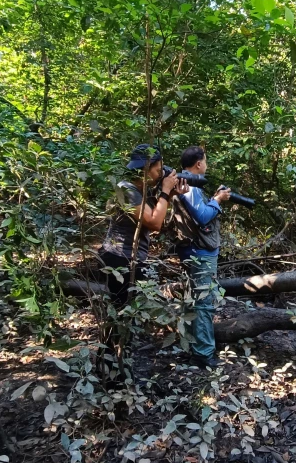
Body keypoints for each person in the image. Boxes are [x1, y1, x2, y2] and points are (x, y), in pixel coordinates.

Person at [98, 144, 186, 306]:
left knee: (130, 309)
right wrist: (165, 192)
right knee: (124, 309)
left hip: (129, 257)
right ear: (144, 169)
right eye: (158, 171)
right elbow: (154, 223)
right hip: (121, 258)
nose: (160, 175)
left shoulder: (141, 190)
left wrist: (171, 194)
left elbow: (158, 219)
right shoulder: (127, 190)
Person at [172, 146, 231, 368]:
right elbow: (203, 216)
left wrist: (215, 197)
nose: (206, 165)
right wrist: (218, 200)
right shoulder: (190, 186)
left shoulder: (184, 183)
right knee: (204, 303)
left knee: (191, 301)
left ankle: (191, 347)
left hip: (191, 250)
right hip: (200, 253)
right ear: (198, 163)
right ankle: (204, 354)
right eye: (205, 161)